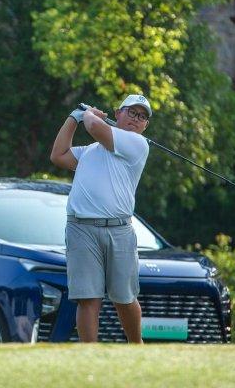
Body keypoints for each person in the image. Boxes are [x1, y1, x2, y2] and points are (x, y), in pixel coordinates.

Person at [49, 94, 152, 343]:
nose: (136, 119)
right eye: (131, 112)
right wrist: (74, 118)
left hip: (119, 230)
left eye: (142, 116)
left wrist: (88, 115)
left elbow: (94, 127)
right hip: (81, 228)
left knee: (125, 299)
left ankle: (137, 348)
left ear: (145, 125)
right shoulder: (89, 152)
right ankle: (90, 355)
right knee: (88, 297)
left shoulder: (137, 145)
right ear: (118, 113)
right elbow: (58, 155)